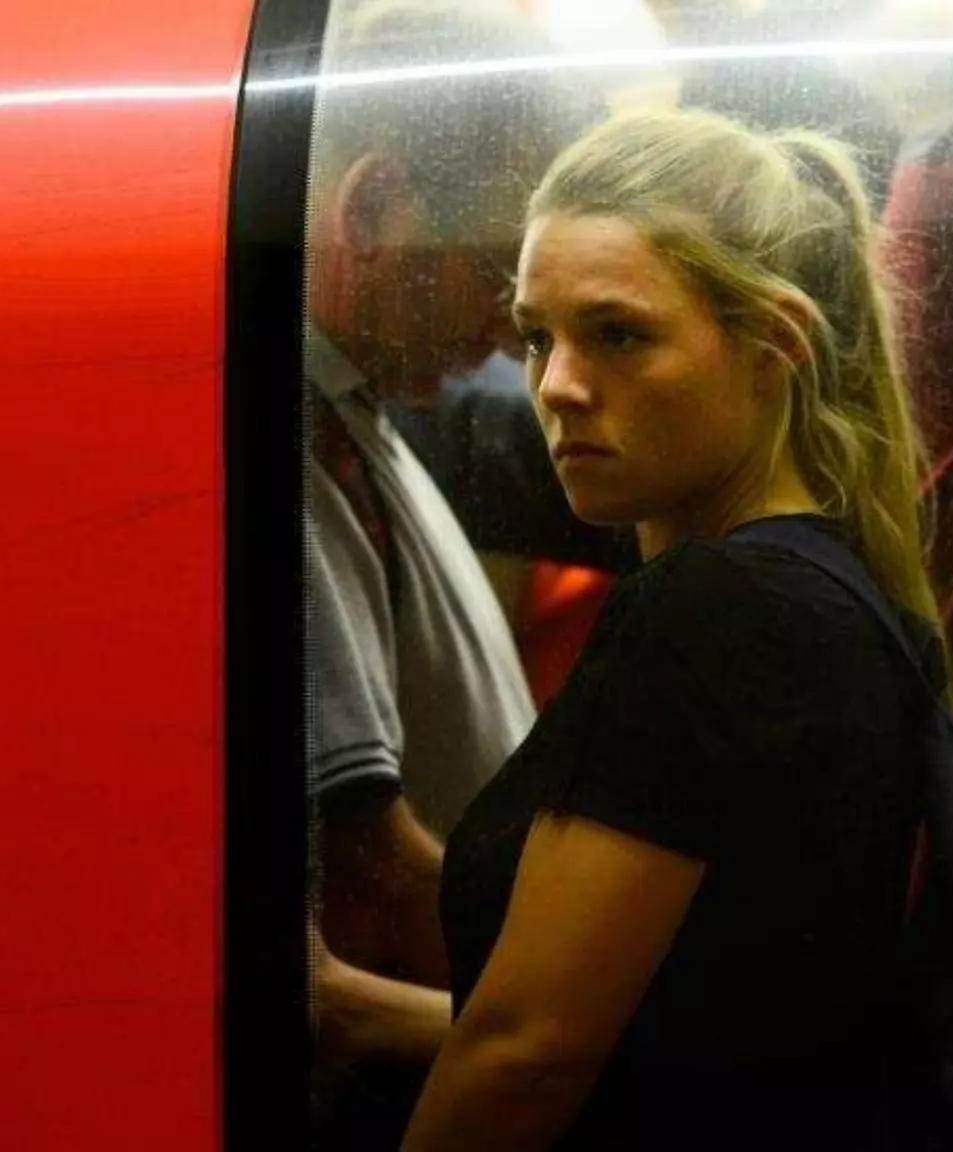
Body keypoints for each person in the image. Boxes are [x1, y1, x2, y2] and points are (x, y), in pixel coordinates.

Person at [402, 107, 951, 1150]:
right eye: (535, 336)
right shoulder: (832, 589)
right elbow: (693, 1024)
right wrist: (345, 1007)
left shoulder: (714, 612)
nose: (556, 386)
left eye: (617, 334)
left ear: (770, 345)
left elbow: (528, 1054)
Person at [301, 2, 597, 1145]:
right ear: (371, 209)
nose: (516, 322)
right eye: (492, 267)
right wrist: (566, 1022)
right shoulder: (287, 438)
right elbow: (372, 863)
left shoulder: (362, 411)